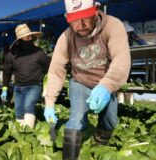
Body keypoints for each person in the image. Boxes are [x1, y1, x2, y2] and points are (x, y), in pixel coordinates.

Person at [43, 0, 131, 159]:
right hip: (80, 82)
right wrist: (49, 102)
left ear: (95, 11)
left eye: (85, 17)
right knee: (76, 120)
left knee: (110, 120)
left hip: (105, 83)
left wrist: (106, 86)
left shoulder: (113, 26)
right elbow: (56, 70)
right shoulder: (66, 37)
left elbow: (121, 60)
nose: (80, 24)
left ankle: (99, 148)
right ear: (67, 18)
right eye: (74, 20)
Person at [1, 24, 51, 128]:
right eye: (26, 37)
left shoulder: (39, 52)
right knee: (18, 111)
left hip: (34, 86)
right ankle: (20, 134)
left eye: (30, 36)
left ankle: (28, 132)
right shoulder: (12, 54)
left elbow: (48, 68)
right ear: (19, 39)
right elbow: (6, 72)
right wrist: (4, 88)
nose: (29, 38)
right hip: (18, 87)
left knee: (28, 107)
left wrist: (46, 85)